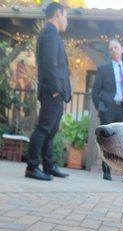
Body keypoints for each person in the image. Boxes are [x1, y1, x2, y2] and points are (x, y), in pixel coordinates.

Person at [25, 2, 71, 180]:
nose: (66, 21)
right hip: (52, 90)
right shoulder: (50, 33)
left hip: (54, 91)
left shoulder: (51, 33)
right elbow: (49, 63)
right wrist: (56, 89)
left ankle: (48, 166)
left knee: (50, 131)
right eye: (65, 16)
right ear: (58, 14)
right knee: (43, 129)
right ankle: (32, 167)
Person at [92, 38, 123, 183]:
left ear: (122, 49)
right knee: (106, 140)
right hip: (108, 108)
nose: (113, 50)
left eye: (115, 47)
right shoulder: (104, 69)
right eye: (110, 48)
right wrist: (100, 106)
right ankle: (106, 171)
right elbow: (95, 90)